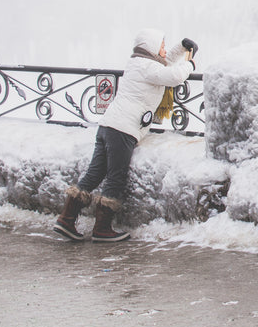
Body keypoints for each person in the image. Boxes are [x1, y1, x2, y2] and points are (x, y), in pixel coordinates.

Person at [54, 28, 198, 242]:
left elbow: (163, 62)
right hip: (122, 130)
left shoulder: (138, 63)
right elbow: (174, 76)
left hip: (108, 126)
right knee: (116, 177)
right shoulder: (147, 67)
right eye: (161, 45)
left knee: (94, 173)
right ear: (151, 47)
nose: (164, 50)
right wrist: (191, 64)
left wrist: (180, 47)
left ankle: (66, 219)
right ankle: (102, 229)